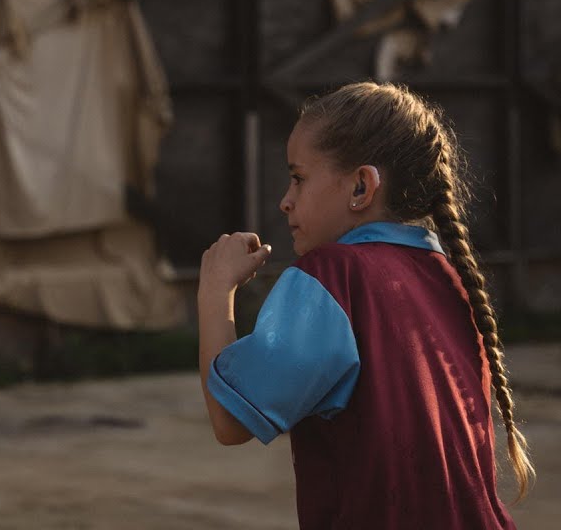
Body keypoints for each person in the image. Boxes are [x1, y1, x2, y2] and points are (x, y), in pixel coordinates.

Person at [196, 82, 533, 529]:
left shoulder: (333, 275)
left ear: (361, 186)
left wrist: (215, 290)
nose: (285, 200)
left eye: (299, 178)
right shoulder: (448, 277)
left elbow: (230, 421)